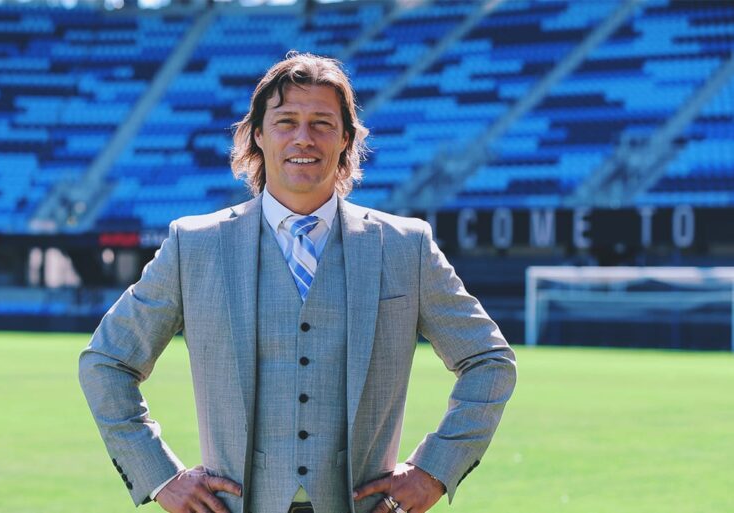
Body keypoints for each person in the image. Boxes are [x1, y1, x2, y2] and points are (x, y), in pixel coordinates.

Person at [79, 52, 516, 513]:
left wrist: (434, 470)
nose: (303, 137)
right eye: (286, 121)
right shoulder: (194, 246)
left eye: (322, 123)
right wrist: (161, 477)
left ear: (346, 138)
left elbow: (489, 361)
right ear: (258, 134)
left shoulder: (406, 247)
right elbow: (107, 361)